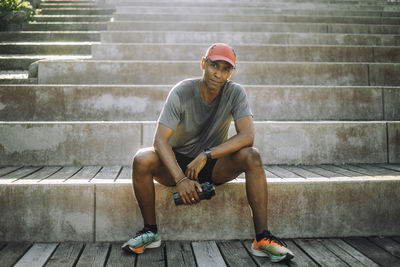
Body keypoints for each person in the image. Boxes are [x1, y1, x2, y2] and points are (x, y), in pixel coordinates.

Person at [121, 43, 294, 263]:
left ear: (231, 72)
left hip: (213, 164)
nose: (218, 73)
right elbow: (160, 141)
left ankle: (262, 238)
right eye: (214, 66)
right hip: (177, 162)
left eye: (225, 69)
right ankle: (150, 231)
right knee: (141, 159)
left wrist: (206, 155)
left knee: (253, 156)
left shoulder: (235, 92)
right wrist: (180, 178)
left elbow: (247, 136)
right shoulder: (182, 91)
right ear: (203, 64)